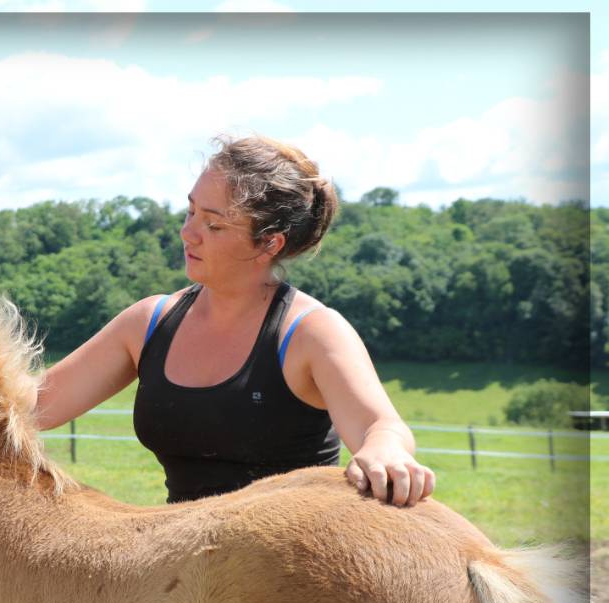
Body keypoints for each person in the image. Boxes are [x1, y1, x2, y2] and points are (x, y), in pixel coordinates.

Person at [34, 134, 435, 506]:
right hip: (179, 566)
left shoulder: (310, 332)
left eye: (214, 224)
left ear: (269, 243)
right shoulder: (149, 323)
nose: (188, 233)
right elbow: (35, 405)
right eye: (190, 211)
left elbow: (381, 427)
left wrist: (385, 450)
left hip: (288, 565)